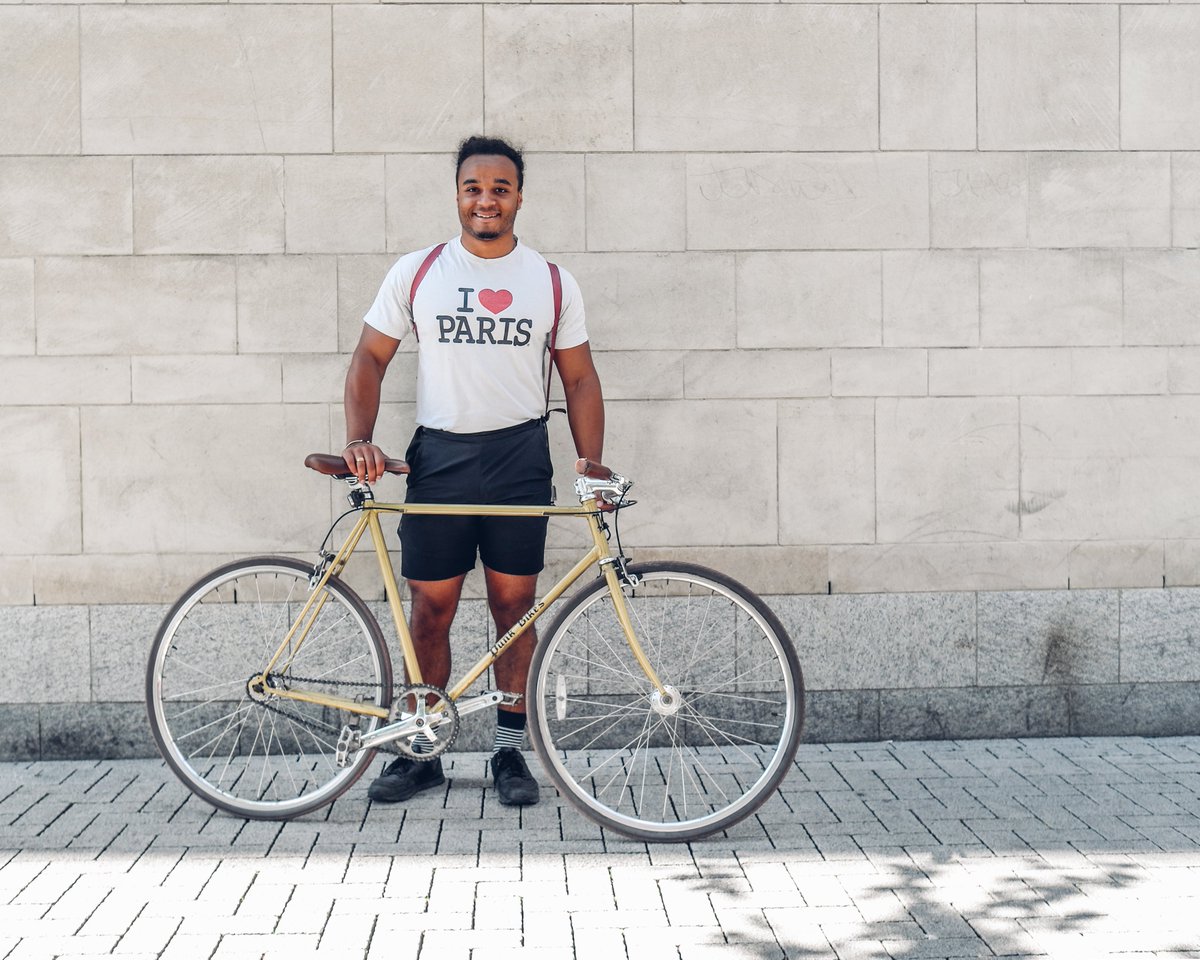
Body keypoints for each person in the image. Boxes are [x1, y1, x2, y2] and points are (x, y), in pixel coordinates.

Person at [341, 135, 605, 807]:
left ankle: (509, 753)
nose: (486, 198)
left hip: (519, 459)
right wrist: (361, 439)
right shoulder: (419, 271)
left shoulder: (549, 280)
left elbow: (578, 379)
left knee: (513, 609)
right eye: (473, 187)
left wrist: (591, 463)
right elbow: (370, 358)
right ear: (457, 194)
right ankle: (421, 750)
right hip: (442, 460)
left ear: (518, 196)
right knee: (430, 609)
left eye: (500, 187)